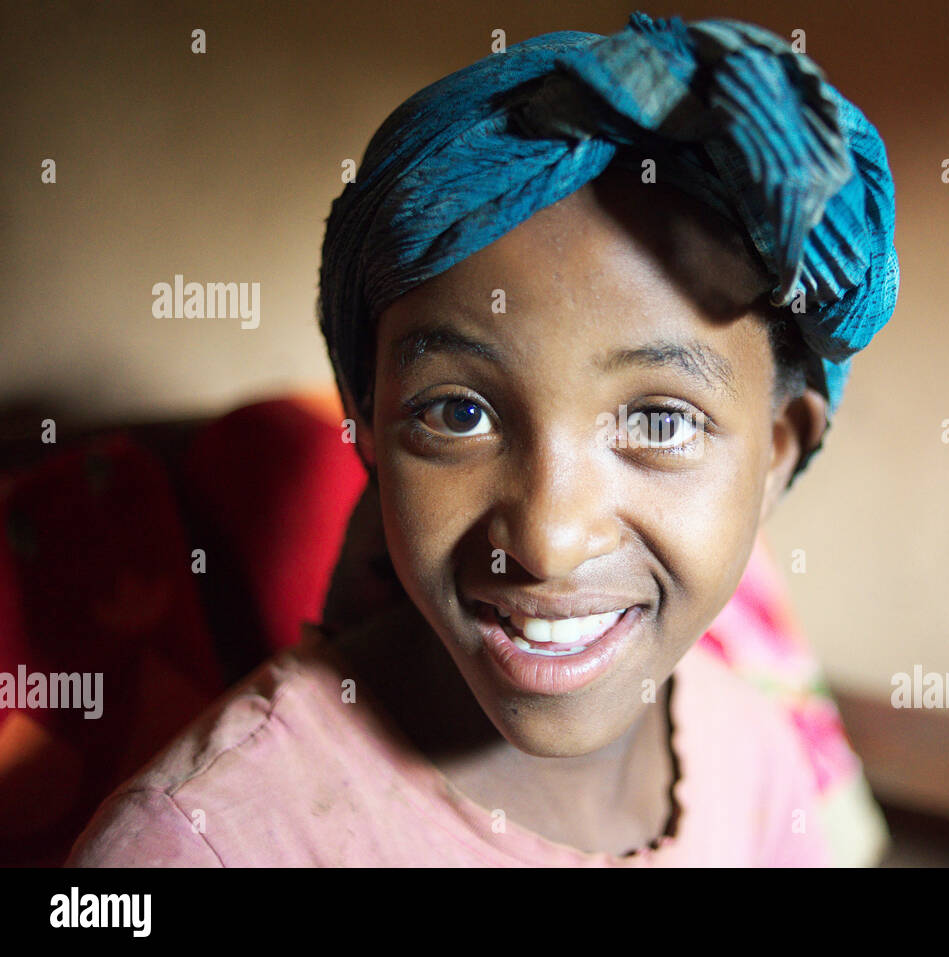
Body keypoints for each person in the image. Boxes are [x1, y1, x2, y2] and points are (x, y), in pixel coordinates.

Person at [65, 10, 899, 866]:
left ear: (776, 453)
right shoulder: (201, 844)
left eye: (659, 419)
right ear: (370, 432)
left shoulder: (752, 757)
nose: (546, 538)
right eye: (458, 412)